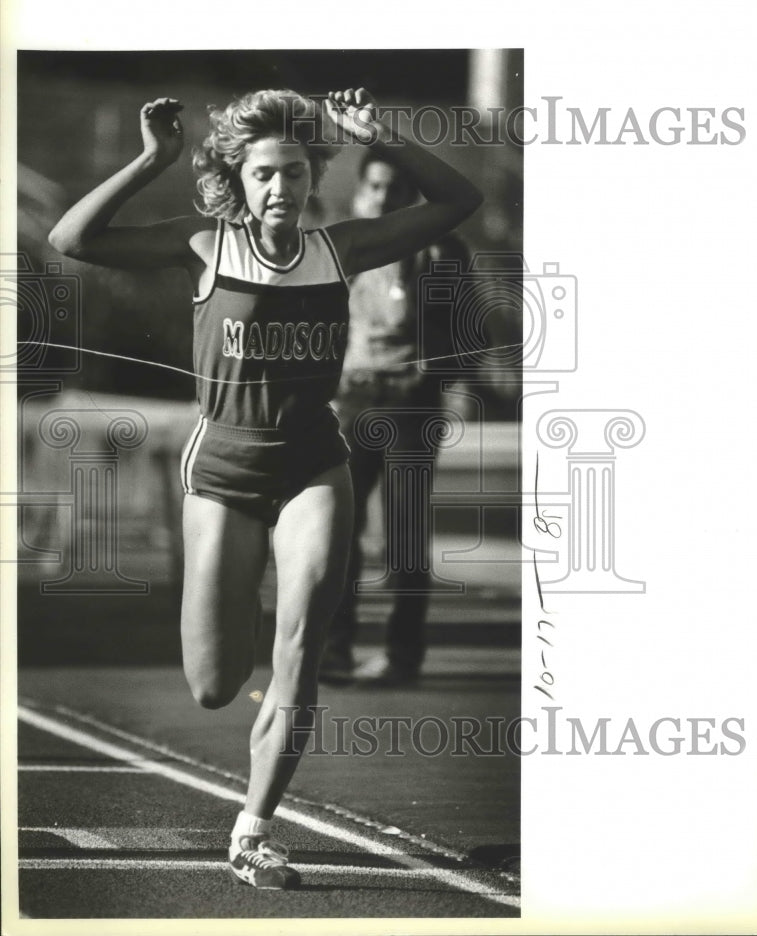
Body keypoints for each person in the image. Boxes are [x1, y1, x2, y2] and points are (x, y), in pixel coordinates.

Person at [48, 86, 482, 891]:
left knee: (299, 654)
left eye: (293, 173)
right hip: (221, 475)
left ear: (313, 174)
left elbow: (460, 199)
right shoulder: (203, 246)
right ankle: (234, 635)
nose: (280, 189)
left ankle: (253, 831)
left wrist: (384, 137)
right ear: (236, 181)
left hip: (315, 465)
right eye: (263, 177)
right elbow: (73, 239)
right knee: (215, 685)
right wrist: (153, 160)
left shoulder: (341, 249)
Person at [320, 151, 469, 686]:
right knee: (340, 531)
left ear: (413, 198)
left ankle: (403, 657)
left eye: (395, 189)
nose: (384, 198)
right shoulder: (343, 249)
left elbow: (468, 332)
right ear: (362, 193)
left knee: (404, 536)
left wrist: (443, 376)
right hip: (353, 398)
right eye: (375, 187)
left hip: (411, 401)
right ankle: (332, 649)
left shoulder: (440, 250)